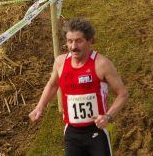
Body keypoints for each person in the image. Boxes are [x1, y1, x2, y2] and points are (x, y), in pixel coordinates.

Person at [29, 18, 128, 156]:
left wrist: (108, 117)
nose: (73, 46)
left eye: (78, 41)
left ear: (90, 41)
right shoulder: (60, 62)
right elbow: (52, 85)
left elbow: (122, 94)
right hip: (72, 132)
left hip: (97, 130)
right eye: (70, 41)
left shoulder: (102, 64)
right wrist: (39, 107)